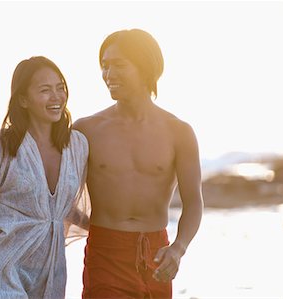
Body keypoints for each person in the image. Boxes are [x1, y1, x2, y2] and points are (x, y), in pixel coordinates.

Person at [74, 29, 204, 298]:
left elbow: (193, 202)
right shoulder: (86, 130)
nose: (109, 74)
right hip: (105, 252)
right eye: (105, 66)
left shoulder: (179, 132)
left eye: (119, 65)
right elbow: (52, 190)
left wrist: (178, 248)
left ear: (146, 68)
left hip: (158, 254)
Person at [0, 56, 89, 299]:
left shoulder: (77, 145)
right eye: (45, 90)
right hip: (5, 262)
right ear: (23, 99)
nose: (56, 96)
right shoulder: (4, 144)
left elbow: (62, 208)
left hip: (52, 267)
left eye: (60, 88)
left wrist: (104, 228)